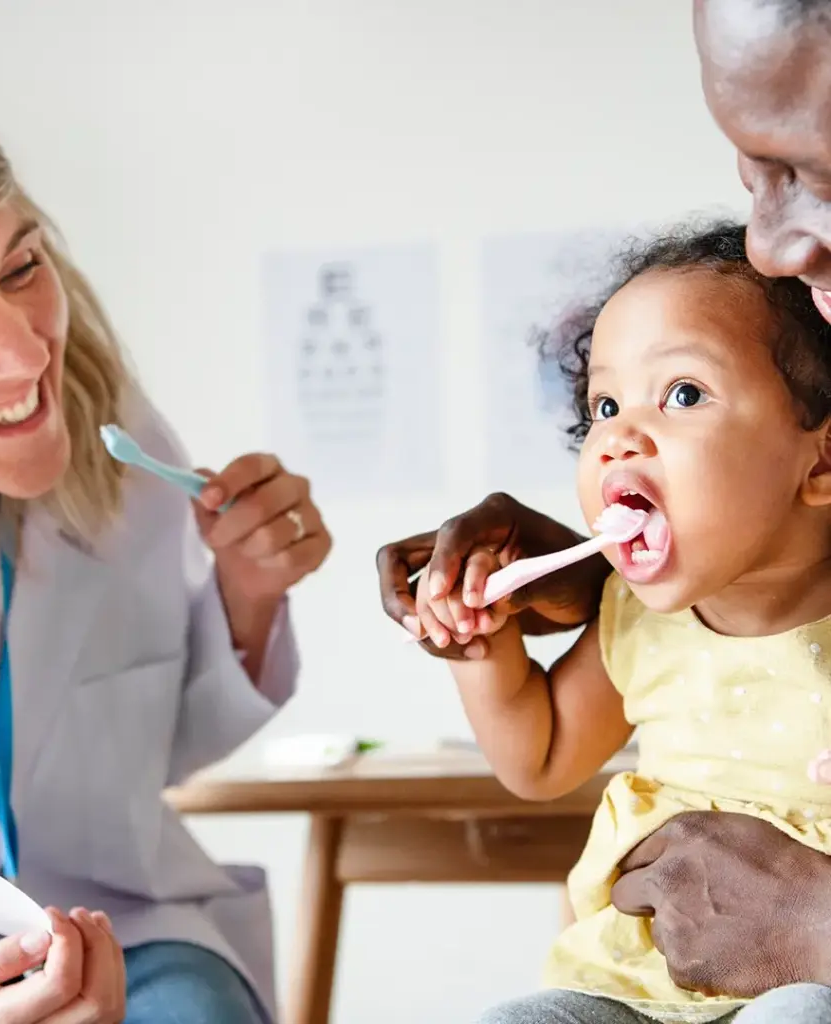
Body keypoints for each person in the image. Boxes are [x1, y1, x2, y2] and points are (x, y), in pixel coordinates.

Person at [377, 0, 831, 1004]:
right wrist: (485, 646)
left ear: (820, 459)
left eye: (684, 395)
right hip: (629, 990)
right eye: (604, 407)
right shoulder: (639, 618)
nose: (620, 437)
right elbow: (540, 757)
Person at [0, 75, 331, 1024]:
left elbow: (148, 756)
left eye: (20, 268)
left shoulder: (115, 446)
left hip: (127, 933)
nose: (26, 355)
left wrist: (246, 594)